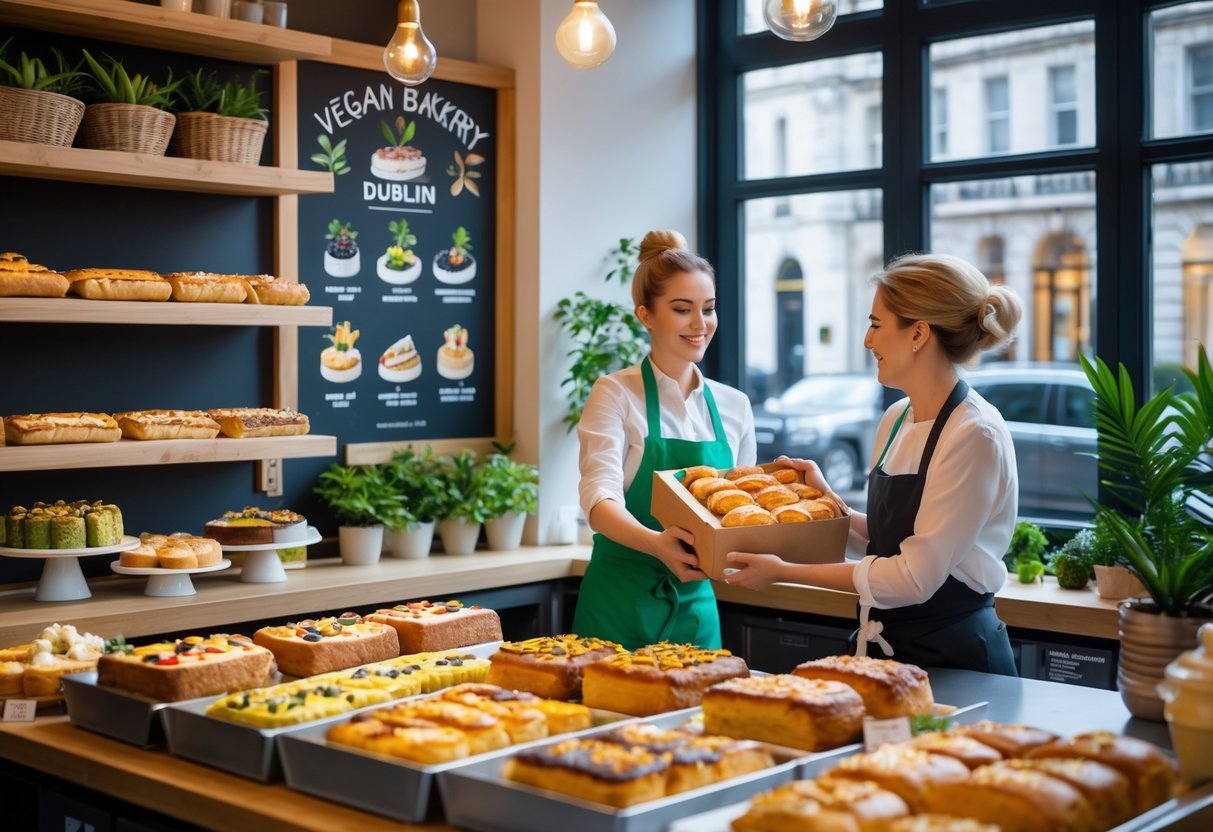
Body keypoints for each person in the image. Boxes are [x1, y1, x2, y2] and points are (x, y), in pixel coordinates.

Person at [724, 253, 1022, 675]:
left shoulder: (974, 435)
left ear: (918, 333)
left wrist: (786, 571)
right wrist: (823, 501)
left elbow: (911, 578)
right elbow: (886, 543)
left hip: (955, 659)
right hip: (888, 652)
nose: (867, 341)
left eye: (876, 325)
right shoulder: (896, 418)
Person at [572, 229, 756, 650]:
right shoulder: (615, 393)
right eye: (681, 309)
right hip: (617, 607)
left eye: (708, 309)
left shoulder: (735, 406)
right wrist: (657, 545)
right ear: (646, 315)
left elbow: (739, 512)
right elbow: (598, 503)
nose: (700, 324)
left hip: (697, 612)